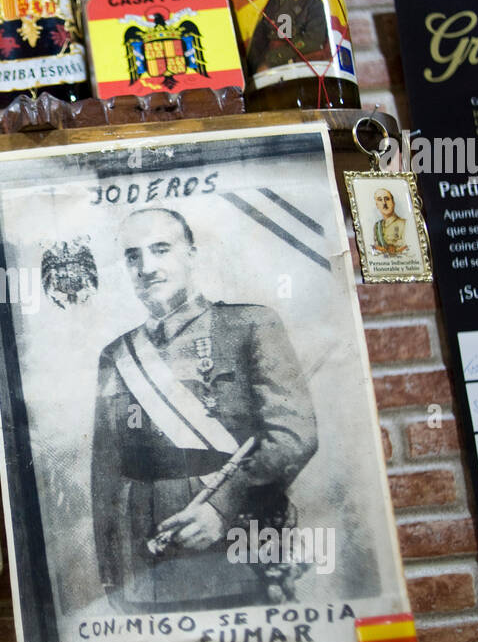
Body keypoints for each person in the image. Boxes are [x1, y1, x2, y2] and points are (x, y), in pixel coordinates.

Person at [89, 208, 318, 612]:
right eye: (132, 256)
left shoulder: (250, 325)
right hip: (147, 566)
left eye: (161, 249)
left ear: (191, 254)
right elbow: (106, 475)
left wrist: (219, 508)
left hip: (235, 552)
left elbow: (292, 436)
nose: (147, 267)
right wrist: (114, 576)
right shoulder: (116, 355)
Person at [244, 0, 329, 76]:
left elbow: (314, 40)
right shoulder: (270, 5)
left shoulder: (311, 2)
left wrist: (273, 58)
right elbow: (257, 43)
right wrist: (255, 68)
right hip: (269, 74)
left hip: (303, 70)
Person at [371, 188, 409, 255]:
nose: (384, 203)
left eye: (387, 199)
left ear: (393, 203)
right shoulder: (377, 226)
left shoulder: (405, 224)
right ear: (377, 205)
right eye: (380, 200)